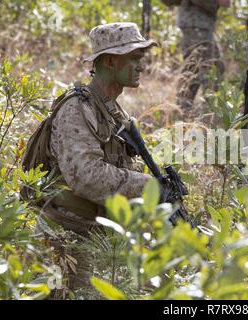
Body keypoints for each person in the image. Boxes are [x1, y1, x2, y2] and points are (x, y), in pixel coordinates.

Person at [21, 22, 158, 293]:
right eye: (134, 58)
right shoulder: (77, 109)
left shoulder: (111, 110)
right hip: (64, 240)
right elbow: (86, 177)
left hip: (93, 236)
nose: (141, 66)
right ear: (109, 61)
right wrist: (146, 186)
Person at [175, 0, 231, 112]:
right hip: (196, 24)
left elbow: (226, 3)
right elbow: (224, 2)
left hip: (197, 24)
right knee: (210, 67)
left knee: (194, 67)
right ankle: (211, 111)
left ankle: (183, 109)